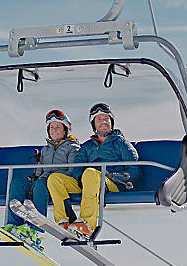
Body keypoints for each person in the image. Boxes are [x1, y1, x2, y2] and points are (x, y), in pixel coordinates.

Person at [46, 102, 139, 238]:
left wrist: (116, 177)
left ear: (111, 121)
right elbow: (77, 167)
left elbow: (135, 170)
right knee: (55, 179)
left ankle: (87, 224)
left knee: (90, 173)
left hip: (112, 184)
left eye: (106, 118)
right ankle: (64, 220)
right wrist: (82, 180)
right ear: (93, 124)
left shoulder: (120, 143)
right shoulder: (87, 146)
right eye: (99, 119)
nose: (103, 122)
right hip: (88, 183)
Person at [3, 109, 79, 245]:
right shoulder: (46, 149)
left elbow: (72, 171)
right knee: (17, 183)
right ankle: (14, 225)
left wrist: (50, 179)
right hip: (42, 180)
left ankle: (34, 229)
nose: (54, 130)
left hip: (58, 183)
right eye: (51, 127)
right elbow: (39, 172)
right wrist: (35, 176)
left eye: (58, 127)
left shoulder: (73, 148)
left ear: (65, 130)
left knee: (40, 185)